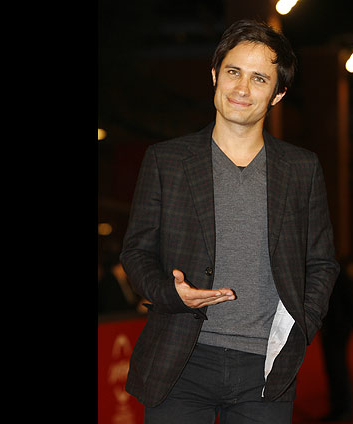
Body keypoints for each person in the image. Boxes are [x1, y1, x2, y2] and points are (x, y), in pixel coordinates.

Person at [119, 19, 340, 424]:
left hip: (266, 371)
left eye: (259, 78)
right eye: (233, 71)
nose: (242, 88)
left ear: (278, 94)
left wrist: (302, 325)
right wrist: (170, 293)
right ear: (215, 75)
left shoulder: (302, 169)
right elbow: (136, 252)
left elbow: (322, 263)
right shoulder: (167, 160)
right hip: (179, 364)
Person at [319, 259, 353, 422]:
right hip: (332, 329)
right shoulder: (333, 273)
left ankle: (344, 410)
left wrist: (347, 326)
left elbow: (352, 300)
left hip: (337, 330)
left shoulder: (338, 275)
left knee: (338, 370)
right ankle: (338, 409)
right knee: (333, 370)